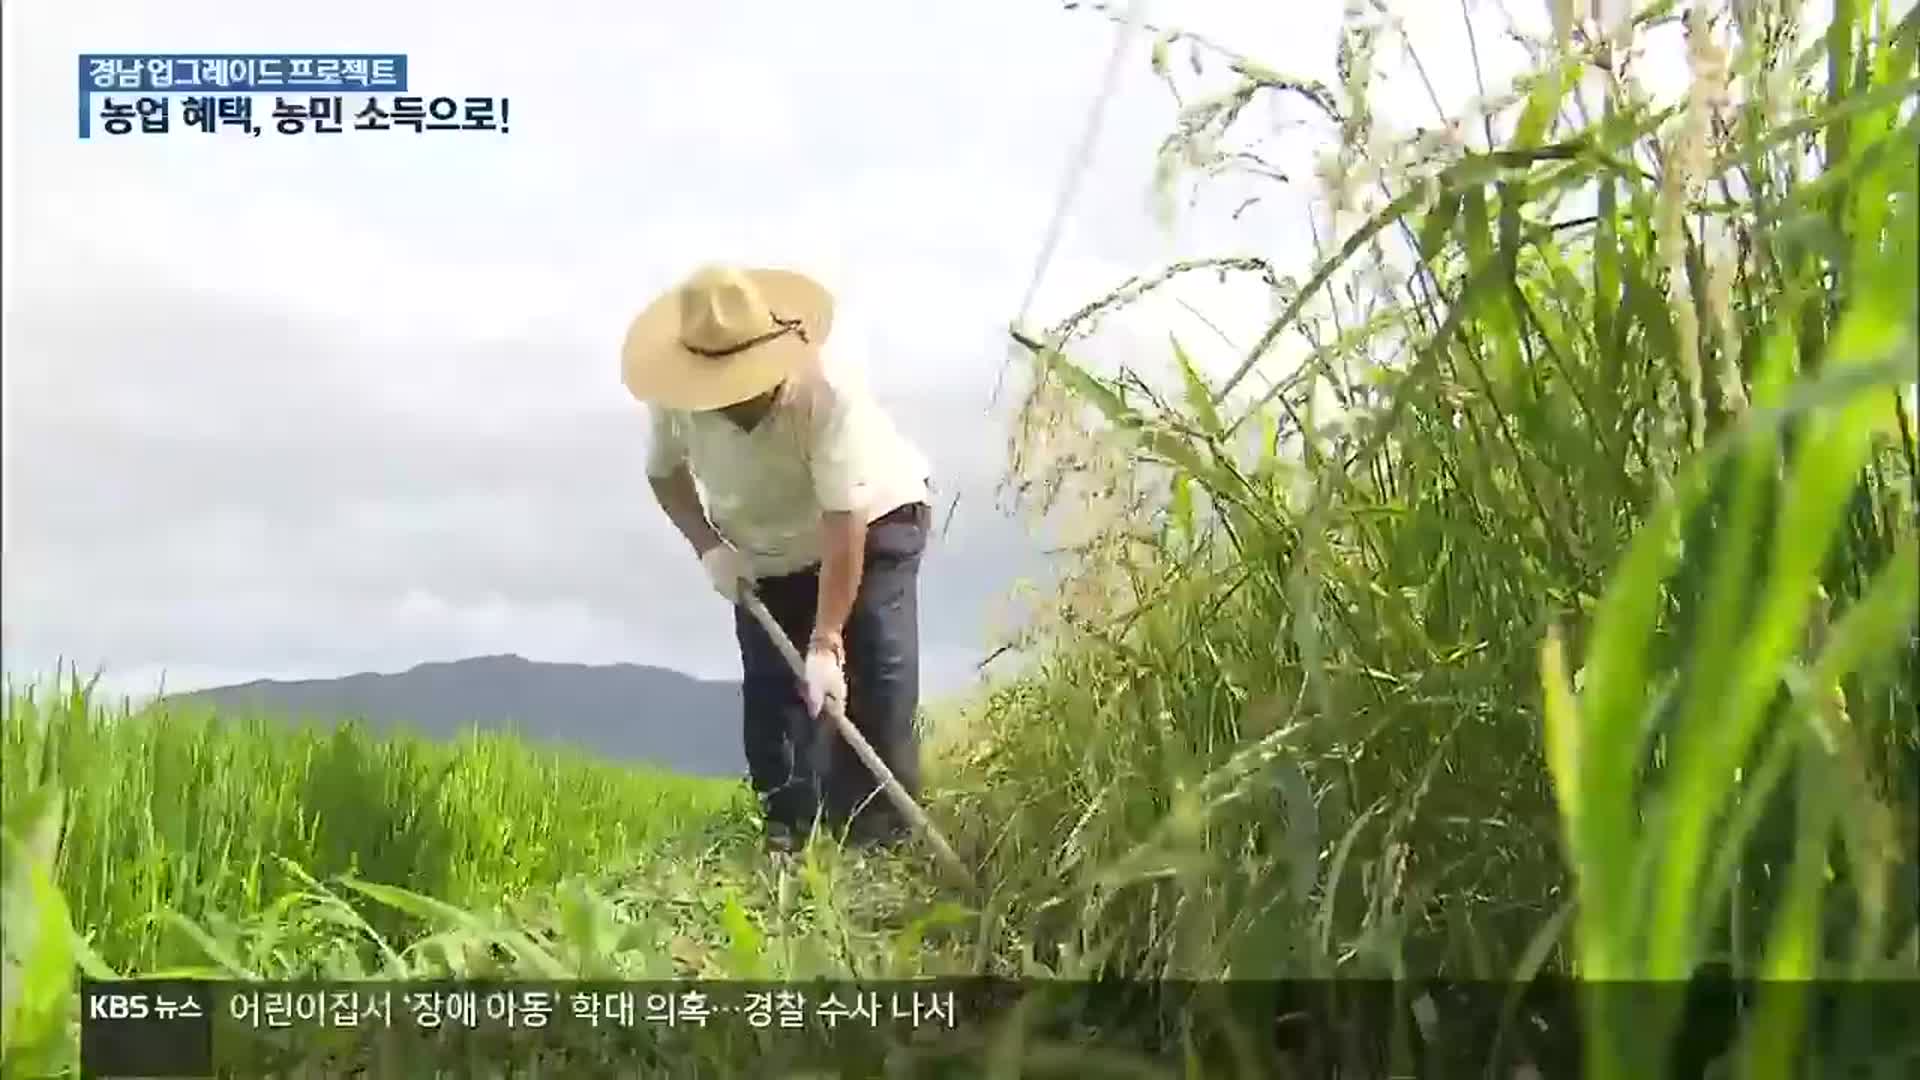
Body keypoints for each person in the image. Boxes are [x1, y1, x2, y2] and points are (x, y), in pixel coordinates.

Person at [622, 264, 933, 852]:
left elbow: (845, 520)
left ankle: (880, 845)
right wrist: (709, 546)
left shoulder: (828, 391)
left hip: (874, 518)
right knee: (776, 700)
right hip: (763, 547)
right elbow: (665, 475)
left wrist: (826, 641)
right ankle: (793, 837)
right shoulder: (676, 397)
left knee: (872, 684)